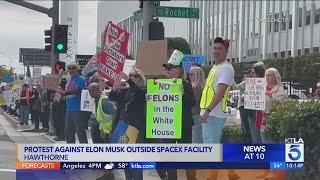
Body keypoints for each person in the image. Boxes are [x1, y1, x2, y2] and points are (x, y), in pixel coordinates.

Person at [199, 37, 239, 180]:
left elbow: (220, 92)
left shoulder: (226, 68)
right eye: (215, 48)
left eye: (220, 49)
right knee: (216, 147)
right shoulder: (216, 67)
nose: (216, 51)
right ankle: (232, 173)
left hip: (213, 115)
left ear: (226, 51)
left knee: (211, 149)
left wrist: (208, 110)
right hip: (211, 114)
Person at [156, 49, 196, 180]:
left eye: (171, 68)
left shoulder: (186, 84)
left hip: (184, 125)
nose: (168, 71)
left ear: (179, 70)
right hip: (168, 126)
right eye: (168, 68)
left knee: (187, 156)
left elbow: (193, 102)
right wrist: (150, 99)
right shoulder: (161, 85)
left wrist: (183, 94)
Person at [109, 69, 146, 180]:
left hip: (135, 128)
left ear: (140, 78)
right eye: (130, 76)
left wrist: (127, 79)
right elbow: (112, 97)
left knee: (135, 159)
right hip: (123, 126)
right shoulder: (127, 90)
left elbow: (139, 94)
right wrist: (114, 89)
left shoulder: (144, 90)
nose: (131, 77)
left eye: (134, 76)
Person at [256, 68, 287, 180]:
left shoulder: (280, 90)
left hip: (273, 122)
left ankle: (275, 173)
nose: (267, 77)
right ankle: (266, 171)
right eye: (266, 75)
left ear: (275, 77)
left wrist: (270, 97)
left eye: (270, 75)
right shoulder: (262, 88)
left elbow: (281, 106)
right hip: (262, 121)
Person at [88, 82, 117, 180]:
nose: (91, 92)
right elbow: (101, 118)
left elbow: (115, 114)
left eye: (93, 90)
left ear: (98, 89)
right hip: (105, 131)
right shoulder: (96, 101)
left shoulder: (104, 101)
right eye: (89, 91)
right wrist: (102, 130)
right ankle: (108, 175)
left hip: (112, 131)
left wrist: (112, 130)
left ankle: (109, 175)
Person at [56, 63, 87, 143]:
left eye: (73, 68)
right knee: (68, 132)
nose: (71, 70)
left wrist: (65, 92)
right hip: (69, 109)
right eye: (69, 68)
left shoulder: (81, 79)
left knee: (80, 132)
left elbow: (78, 90)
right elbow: (63, 91)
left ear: (77, 69)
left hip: (78, 109)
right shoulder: (69, 80)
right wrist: (61, 95)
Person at [232, 70, 254, 144]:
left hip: (244, 106)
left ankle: (247, 142)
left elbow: (235, 87)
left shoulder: (246, 82)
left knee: (245, 126)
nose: (245, 76)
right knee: (250, 125)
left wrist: (231, 79)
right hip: (251, 106)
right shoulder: (254, 82)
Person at [250, 62, 266, 144]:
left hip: (260, 115)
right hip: (252, 113)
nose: (251, 74)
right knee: (254, 138)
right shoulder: (251, 84)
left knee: (259, 138)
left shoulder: (264, 84)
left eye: (253, 72)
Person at [189, 66, 205, 143]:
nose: (189, 76)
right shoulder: (198, 86)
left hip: (196, 114)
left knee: (196, 138)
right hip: (197, 114)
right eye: (189, 74)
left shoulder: (197, 87)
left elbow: (194, 102)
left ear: (197, 75)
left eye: (191, 74)